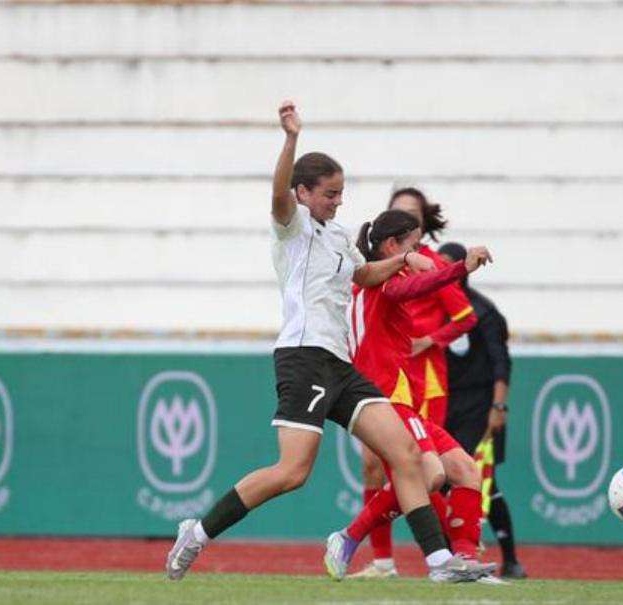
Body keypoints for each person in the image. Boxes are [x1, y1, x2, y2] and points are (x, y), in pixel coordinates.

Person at [164, 102, 495, 583]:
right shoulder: (292, 227)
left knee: (403, 452)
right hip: (304, 358)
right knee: (292, 472)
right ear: (304, 193)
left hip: (340, 364)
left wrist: (405, 261)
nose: (338, 201)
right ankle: (197, 532)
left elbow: (363, 273)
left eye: (341, 193)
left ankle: (440, 563)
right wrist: (290, 139)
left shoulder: (339, 236)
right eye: (330, 193)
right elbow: (278, 192)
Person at [323, 210, 495, 581]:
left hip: (401, 399)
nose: (419, 251)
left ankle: (464, 561)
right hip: (388, 402)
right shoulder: (380, 284)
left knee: (465, 470)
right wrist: (461, 267)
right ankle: (349, 536)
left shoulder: (369, 285)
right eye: (413, 245)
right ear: (391, 247)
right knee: (430, 474)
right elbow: (415, 288)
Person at [438, 241, 527, 579]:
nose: (439, 270)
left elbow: (501, 361)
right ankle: (454, 555)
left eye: (447, 264)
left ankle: (510, 558)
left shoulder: (484, 312)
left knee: (482, 480)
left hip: (480, 403)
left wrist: (498, 406)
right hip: (447, 402)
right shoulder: (432, 307)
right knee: (445, 481)